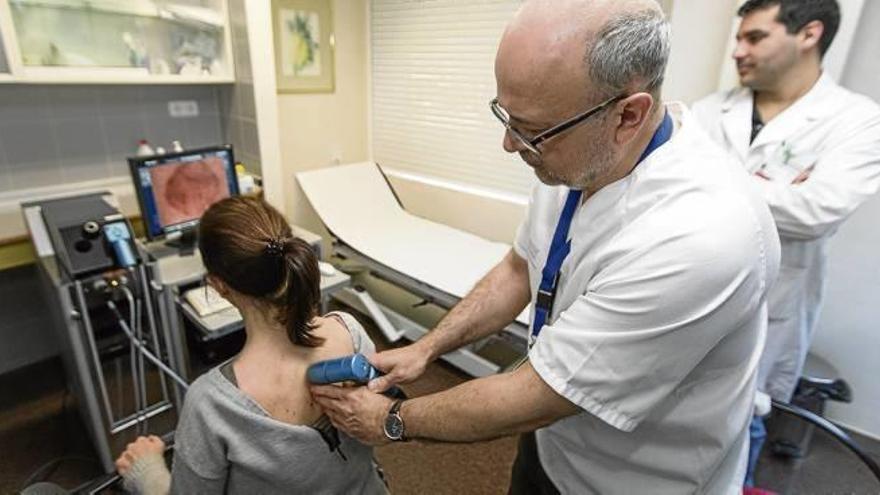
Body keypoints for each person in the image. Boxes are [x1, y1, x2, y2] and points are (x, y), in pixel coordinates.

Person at [311, 1, 781, 493]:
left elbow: (538, 393)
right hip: (551, 445)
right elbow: (519, 269)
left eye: (530, 131)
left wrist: (392, 419)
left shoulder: (702, 236)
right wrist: (427, 349)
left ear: (628, 116)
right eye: (506, 118)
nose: (510, 145)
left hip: (634, 478)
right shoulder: (576, 157)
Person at [692, 0, 880, 489]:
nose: (737, 50)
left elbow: (817, 211)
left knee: (743, 421)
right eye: (738, 38)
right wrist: (775, 190)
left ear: (809, 33)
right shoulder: (709, 112)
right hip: (695, 284)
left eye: (754, 37)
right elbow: (666, 191)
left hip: (772, 306)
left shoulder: (858, 121)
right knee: (680, 410)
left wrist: (708, 184)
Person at [114, 196, 387, 494]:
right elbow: (377, 427)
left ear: (218, 285)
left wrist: (146, 471)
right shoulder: (350, 331)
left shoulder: (211, 405)